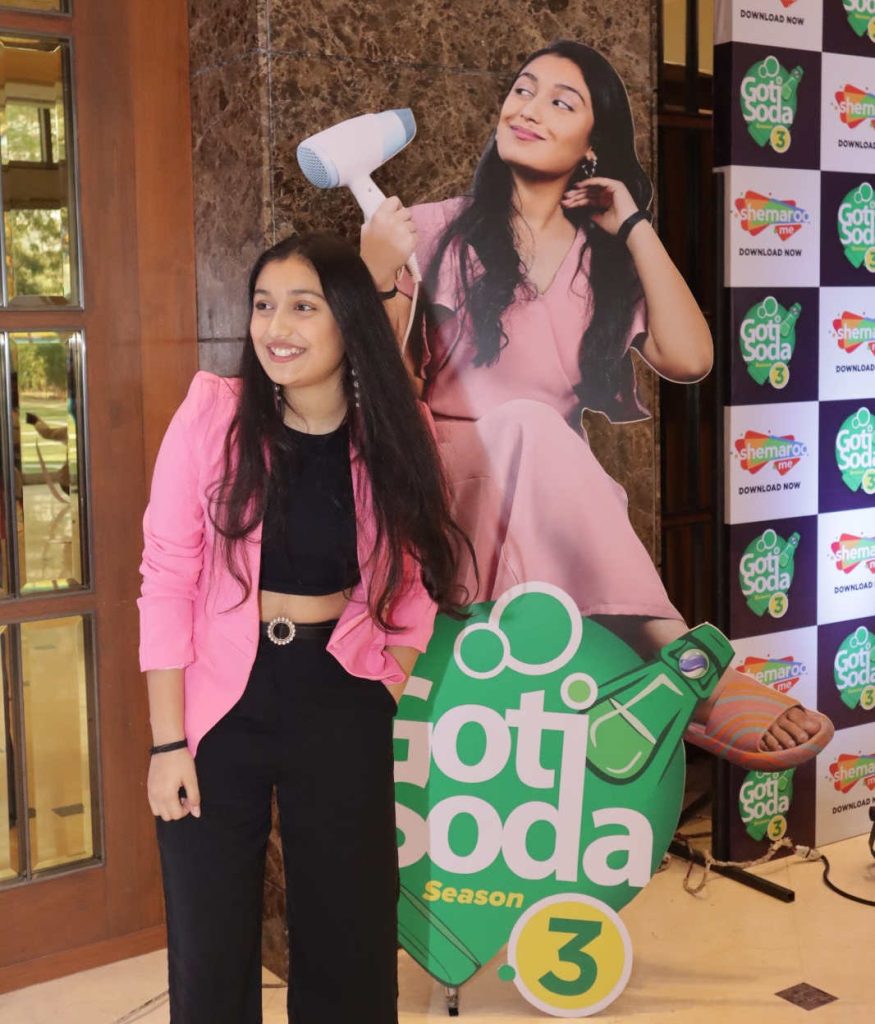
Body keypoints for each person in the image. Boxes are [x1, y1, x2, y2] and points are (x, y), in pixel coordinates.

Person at [360, 39, 833, 769]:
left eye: (561, 101)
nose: (528, 109)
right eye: (522, 90)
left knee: (541, 434)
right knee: (529, 423)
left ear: (592, 144)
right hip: (440, 478)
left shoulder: (600, 259)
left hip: (554, 495)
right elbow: (388, 392)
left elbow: (691, 359)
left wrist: (634, 226)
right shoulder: (429, 229)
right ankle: (682, 664)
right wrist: (379, 275)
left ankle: (612, 680)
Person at [138, 233, 466, 1024]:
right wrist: (167, 742)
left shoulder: (396, 429)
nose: (275, 327)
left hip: (341, 689)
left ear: (349, 320)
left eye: (302, 306)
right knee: (210, 937)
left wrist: (388, 682)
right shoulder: (212, 414)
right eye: (263, 305)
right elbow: (166, 576)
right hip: (220, 697)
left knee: (349, 929)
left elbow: (417, 570)